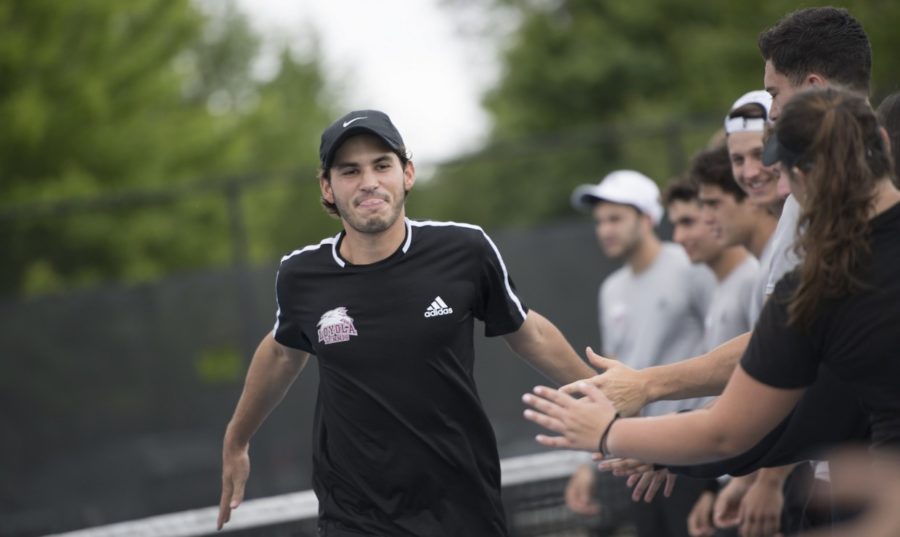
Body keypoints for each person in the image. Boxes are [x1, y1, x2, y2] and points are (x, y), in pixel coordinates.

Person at [216, 109, 596, 536]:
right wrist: (236, 440)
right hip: (354, 516)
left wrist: (605, 399)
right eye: (349, 171)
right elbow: (282, 352)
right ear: (327, 186)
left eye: (382, 165)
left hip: (462, 507)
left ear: (407, 173)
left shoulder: (465, 250)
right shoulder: (300, 275)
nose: (369, 182)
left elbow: (529, 333)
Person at [523, 84, 900, 505]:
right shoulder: (817, 278)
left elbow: (730, 430)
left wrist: (610, 432)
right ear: (881, 142)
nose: (753, 174)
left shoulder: (819, 285)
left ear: (796, 177)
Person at [565, 170, 714, 537]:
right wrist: (588, 463)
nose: (605, 230)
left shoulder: (690, 267)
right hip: (640, 461)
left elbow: (728, 357)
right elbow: (612, 386)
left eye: (615, 218)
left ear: (647, 218)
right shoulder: (611, 290)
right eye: (600, 221)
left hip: (696, 454)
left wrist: (719, 480)